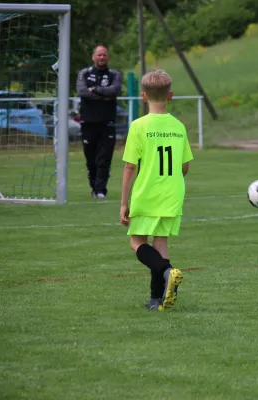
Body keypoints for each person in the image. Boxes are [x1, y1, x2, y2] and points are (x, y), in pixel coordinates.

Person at [120, 69, 194, 310]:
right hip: (172, 194)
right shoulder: (178, 126)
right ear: (170, 95)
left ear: (143, 96)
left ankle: (167, 271)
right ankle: (156, 300)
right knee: (160, 243)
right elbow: (184, 167)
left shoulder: (139, 126)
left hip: (148, 193)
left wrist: (123, 202)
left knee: (137, 242)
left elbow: (130, 166)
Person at [76, 44, 123, 199]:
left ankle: (101, 190)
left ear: (108, 57)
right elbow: (82, 92)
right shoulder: (84, 73)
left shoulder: (114, 74)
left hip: (107, 122)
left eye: (104, 55)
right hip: (88, 122)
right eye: (99, 55)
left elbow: (114, 91)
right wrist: (104, 95)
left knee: (104, 158)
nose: (101, 57)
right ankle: (94, 187)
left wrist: (95, 90)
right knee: (91, 159)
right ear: (93, 56)